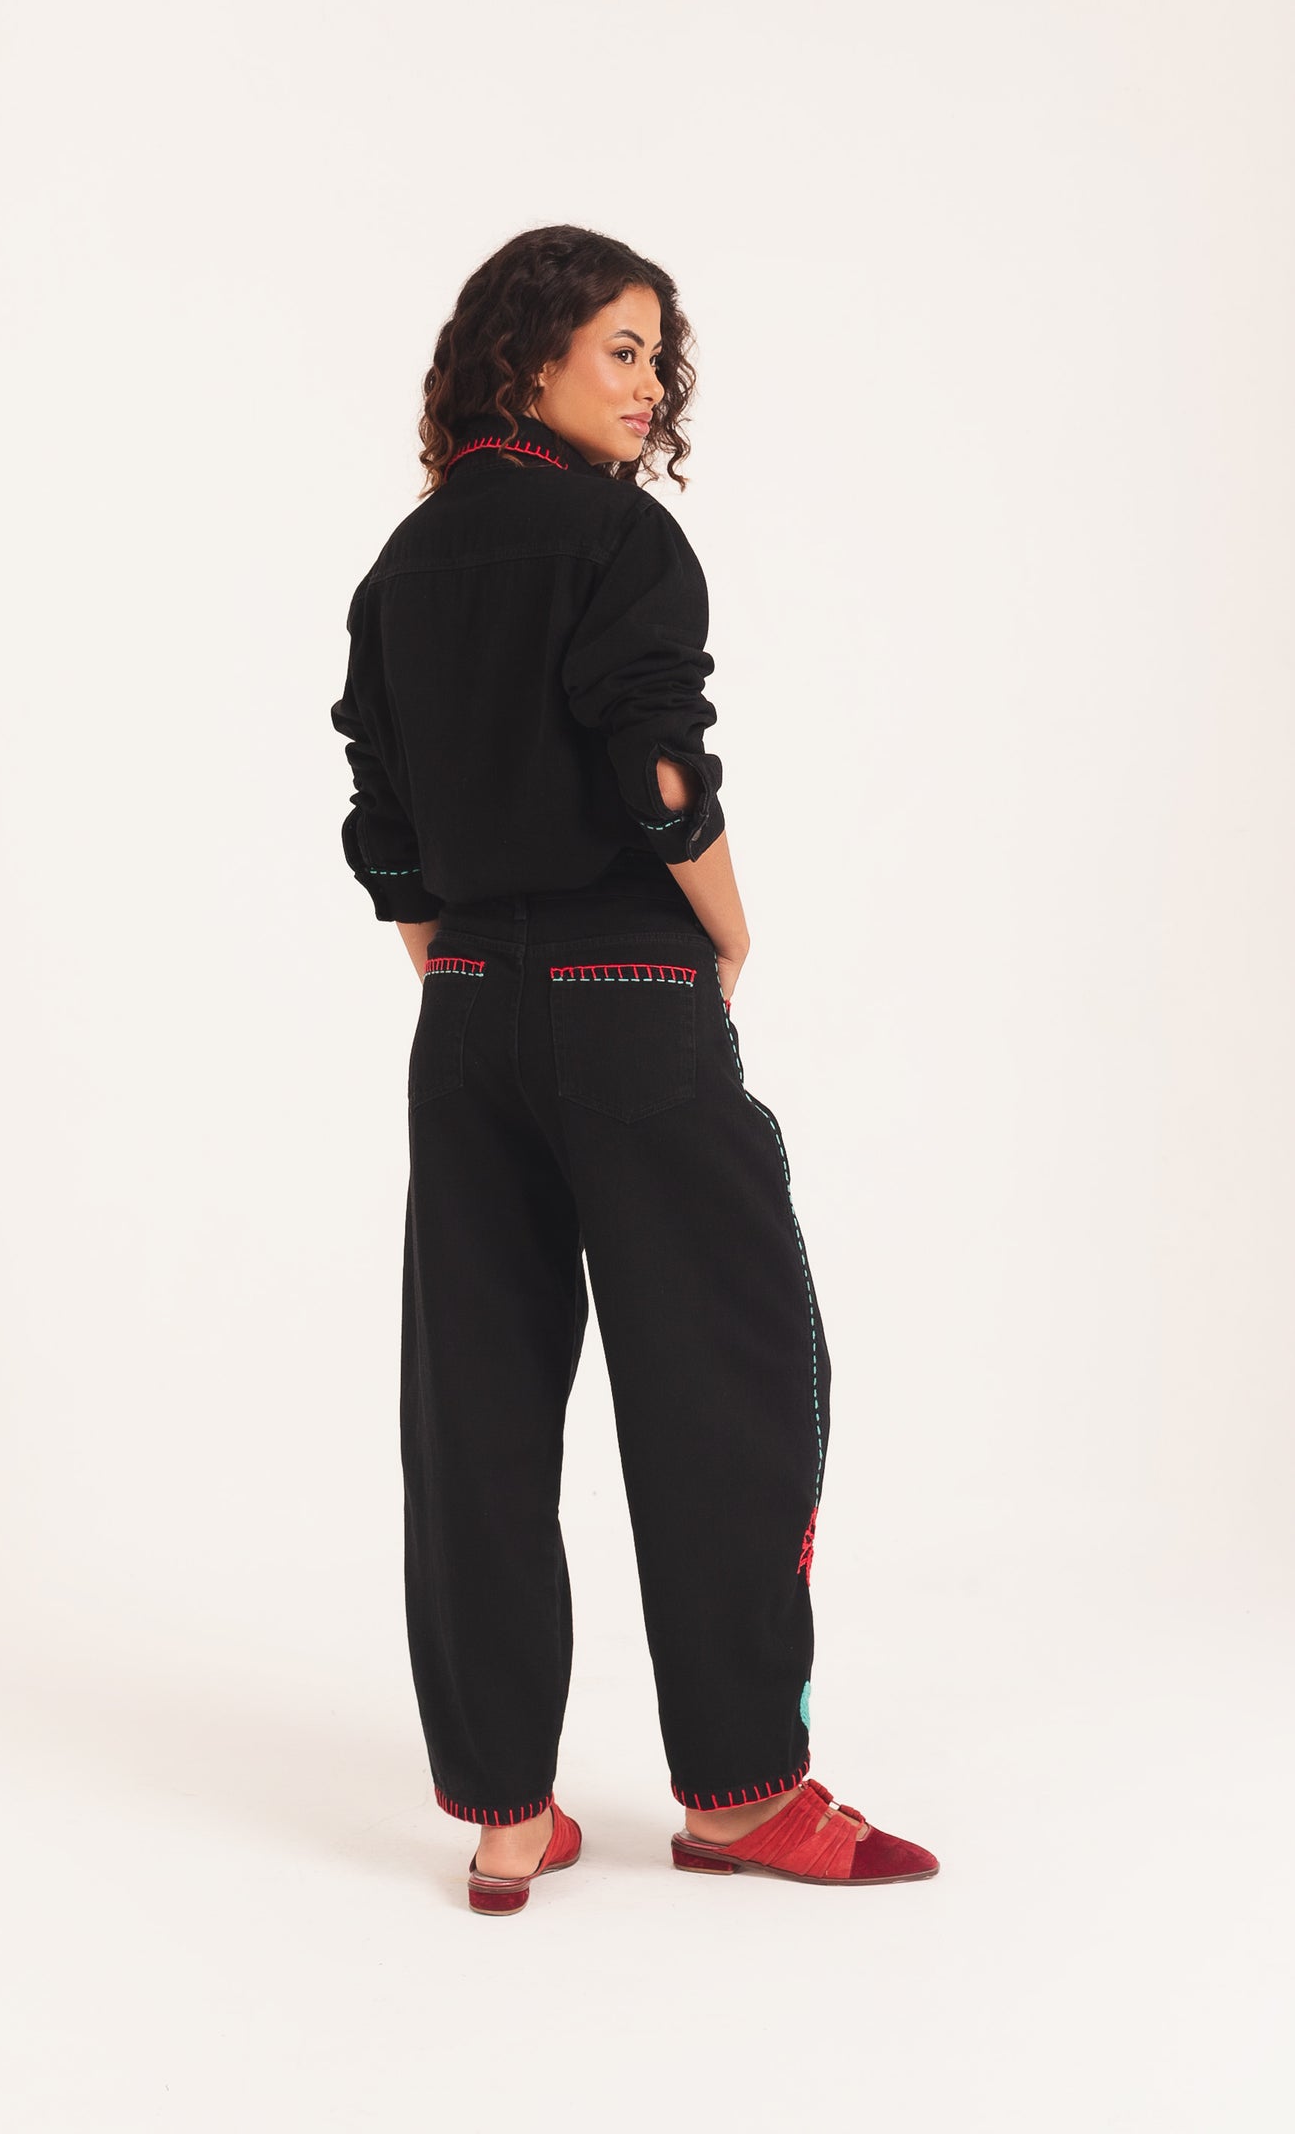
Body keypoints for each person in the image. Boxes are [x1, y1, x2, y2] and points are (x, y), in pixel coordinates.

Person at [331, 224, 938, 1916]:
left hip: (464, 1015)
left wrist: (459, 958)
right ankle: (742, 1795)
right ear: (523, 355)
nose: (651, 381)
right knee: (725, 1382)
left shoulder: (403, 562)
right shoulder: (620, 536)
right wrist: (726, 929)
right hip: (631, 993)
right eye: (620, 346)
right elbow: (660, 768)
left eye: (659, 354)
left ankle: (503, 1817)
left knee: (475, 1402)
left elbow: (380, 811)